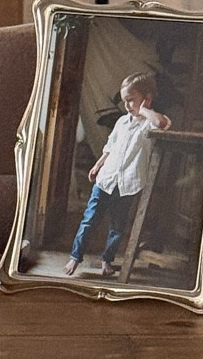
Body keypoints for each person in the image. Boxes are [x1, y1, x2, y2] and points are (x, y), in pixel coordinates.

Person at [65, 73, 170, 276]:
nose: (127, 105)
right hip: (107, 178)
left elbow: (162, 124)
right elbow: (110, 146)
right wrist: (97, 165)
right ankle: (75, 257)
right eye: (125, 101)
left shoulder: (149, 122)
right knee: (90, 219)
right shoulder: (122, 122)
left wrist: (145, 110)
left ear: (146, 98)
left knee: (117, 226)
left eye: (131, 99)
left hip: (128, 183)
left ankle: (107, 260)